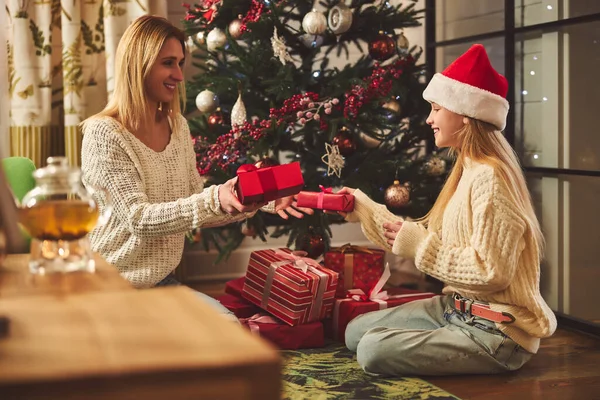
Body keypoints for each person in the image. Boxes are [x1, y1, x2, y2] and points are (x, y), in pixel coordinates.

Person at [336, 44, 557, 376]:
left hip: (496, 331)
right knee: (355, 332)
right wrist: (362, 207)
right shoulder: (466, 170)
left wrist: (420, 246)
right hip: (455, 308)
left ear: (464, 116)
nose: (429, 119)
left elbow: (489, 272)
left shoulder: (491, 180)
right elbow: (421, 237)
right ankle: (441, 336)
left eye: (436, 109)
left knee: (371, 349)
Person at [80, 15, 311, 316]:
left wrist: (255, 199)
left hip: (160, 284)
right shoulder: (105, 134)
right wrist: (215, 199)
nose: (179, 74)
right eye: (168, 63)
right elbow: (140, 219)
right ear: (138, 65)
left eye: (180, 62)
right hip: (107, 287)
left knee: (229, 333)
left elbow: (194, 203)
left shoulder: (178, 126)